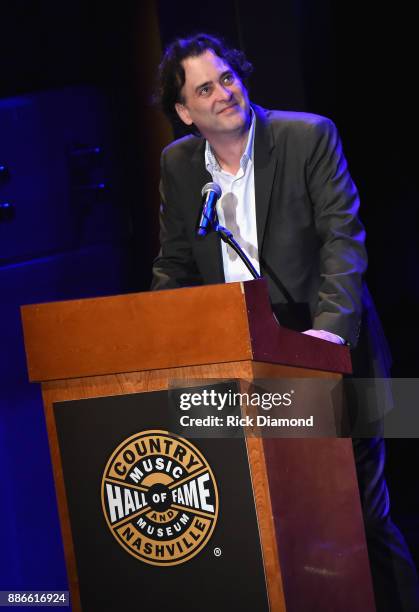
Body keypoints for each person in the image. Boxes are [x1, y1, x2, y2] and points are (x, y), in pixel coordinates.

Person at [151, 33, 419, 611]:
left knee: (362, 519)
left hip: (339, 357)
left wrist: (329, 334)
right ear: (184, 112)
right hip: (247, 377)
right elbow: (173, 265)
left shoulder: (308, 135)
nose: (224, 93)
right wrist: (154, 343)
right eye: (205, 88)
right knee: (280, 530)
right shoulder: (177, 166)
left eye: (227, 78)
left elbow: (342, 241)